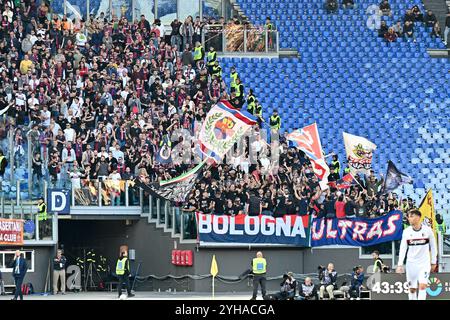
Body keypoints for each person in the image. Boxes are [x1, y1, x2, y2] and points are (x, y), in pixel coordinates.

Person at [396, 209, 437, 300]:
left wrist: (434, 261)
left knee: (422, 286)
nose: (409, 218)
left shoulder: (428, 230)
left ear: (418, 217)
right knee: (412, 289)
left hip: (424, 263)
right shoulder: (406, 231)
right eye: (408, 217)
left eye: (411, 216)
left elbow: (433, 246)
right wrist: (400, 264)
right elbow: (403, 248)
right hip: (411, 264)